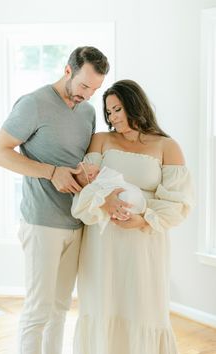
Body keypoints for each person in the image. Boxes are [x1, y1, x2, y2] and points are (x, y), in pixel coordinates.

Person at [0, 46, 109, 354]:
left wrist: (87, 174)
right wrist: (50, 171)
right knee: (38, 310)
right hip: (42, 221)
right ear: (67, 70)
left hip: (77, 221)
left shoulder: (87, 111)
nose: (87, 94)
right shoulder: (33, 104)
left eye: (95, 89)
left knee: (60, 308)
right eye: (83, 85)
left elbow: (76, 159)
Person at [71, 79, 194, 354]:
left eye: (117, 109)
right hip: (104, 240)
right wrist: (104, 202)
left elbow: (179, 202)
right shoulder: (101, 140)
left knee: (144, 305)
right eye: (109, 113)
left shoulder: (167, 146)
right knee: (103, 302)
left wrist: (145, 219)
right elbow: (83, 185)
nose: (112, 118)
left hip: (144, 239)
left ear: (134, 105)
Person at [73, 161, 146, 233]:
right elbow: (85, 201)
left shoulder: (106, 175)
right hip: (121, 209)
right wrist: (103, 198)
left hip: (139, 213)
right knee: (124, 197)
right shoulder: (92, 187)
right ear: (90, 175)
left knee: (125, 197)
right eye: (91, 164)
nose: (93, 163)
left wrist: (143, 223)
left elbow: (117, 181)